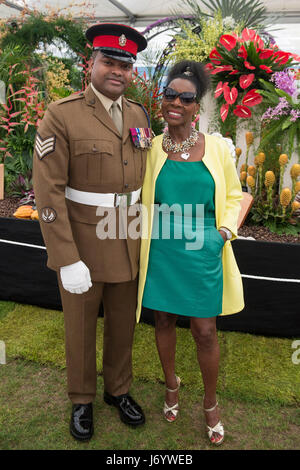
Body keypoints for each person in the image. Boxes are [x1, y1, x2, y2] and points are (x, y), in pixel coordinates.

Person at [33, 23, 150, 441]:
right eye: (109, 62)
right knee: (81, 325)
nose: (117, 71)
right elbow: (48, 192)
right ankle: (81, 398)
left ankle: (117, 390)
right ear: (91, 64)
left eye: (125, 65)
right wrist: (65, 258)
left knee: (123, 323)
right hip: (83, 239)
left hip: (128, 233)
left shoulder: (138, 114)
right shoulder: (62, 114)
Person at [136, 60, 244, 446]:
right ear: (162, 99)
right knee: (163, 321)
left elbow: (235, 195)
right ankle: (171, 384)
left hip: (204, 250)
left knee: (205, 330)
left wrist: (223, 233)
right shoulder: (149, 149)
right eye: (170, 94)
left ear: (198, 106)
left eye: (186, 97)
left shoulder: (216, 147)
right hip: (162, 250)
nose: (176, 102)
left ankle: (211, 403)